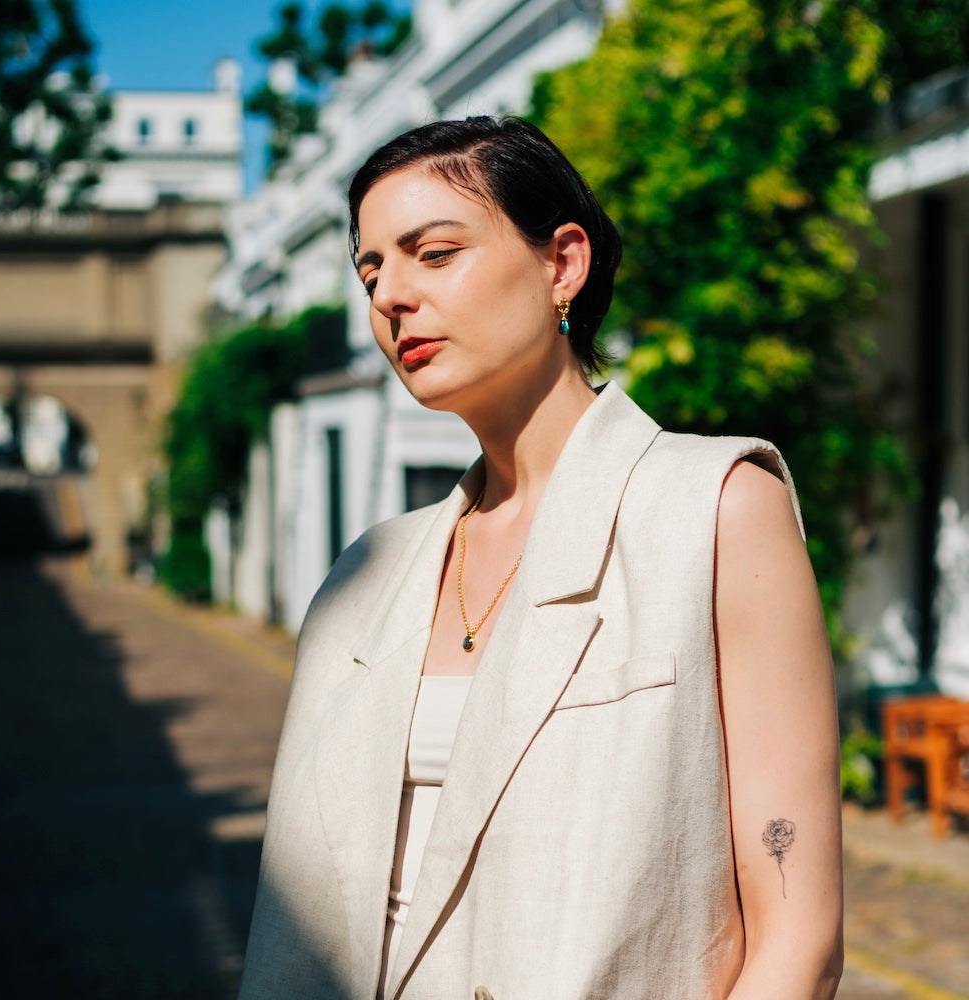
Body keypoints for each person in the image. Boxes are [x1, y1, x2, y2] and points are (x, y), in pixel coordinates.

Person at [237, 117, 844, 1000]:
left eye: (433, 254)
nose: (389, 297)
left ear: (562, 261)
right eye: (371, 272)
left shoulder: (712, 509)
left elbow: (799, 936)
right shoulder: (369, 573)